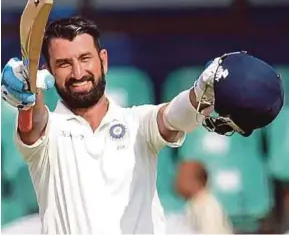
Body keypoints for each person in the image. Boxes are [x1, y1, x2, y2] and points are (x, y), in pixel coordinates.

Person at [1, 16, 284, 234]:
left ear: (103, 61)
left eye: (85, 59)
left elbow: (173, 116)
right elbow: (32, 122)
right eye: (64, 63)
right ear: (48, 73)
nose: (78, 73)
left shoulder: (137, 122)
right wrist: (27, 94)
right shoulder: (49, 133)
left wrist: (201, 92)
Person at [175, 161, 233, 234]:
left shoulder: (208, 207)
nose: (177, 181)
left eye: (181, 176)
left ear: (195, 181)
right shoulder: (193, 204)